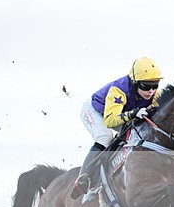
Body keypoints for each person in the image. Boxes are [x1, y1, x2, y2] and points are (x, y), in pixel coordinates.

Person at [70, 57, 163, 198]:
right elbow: (110, 121)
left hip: (119, 112)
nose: (151, 91)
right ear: (134, 82)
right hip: (97, 111)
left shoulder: (156, 93)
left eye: (154, 85)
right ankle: (84, 178)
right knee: (105, 137)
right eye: (145, 86)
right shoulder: (118, 90)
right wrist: (133, 113)